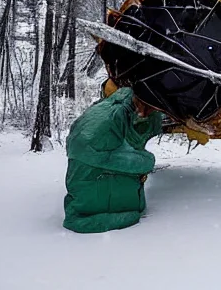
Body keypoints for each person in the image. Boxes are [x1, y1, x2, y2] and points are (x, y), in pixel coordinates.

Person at [63, 85, 164, 233]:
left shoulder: (106, 108)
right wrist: (147, 160)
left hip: (82, 181)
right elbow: (104, 154)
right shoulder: (116, 116)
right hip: (93, 180)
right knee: (143, 163)